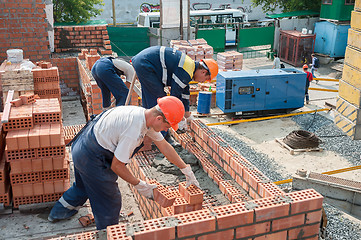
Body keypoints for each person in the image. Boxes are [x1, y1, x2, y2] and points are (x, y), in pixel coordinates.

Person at [48, 96, 200, 230]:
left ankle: (58, 213)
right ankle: (108, 233)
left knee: (83, 187)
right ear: (159, 119)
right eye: (167, 126)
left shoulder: (144, 116)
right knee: (110, 200)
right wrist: (140, 185)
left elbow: (165, 147)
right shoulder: (133, 131)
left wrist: (186, 170)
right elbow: (117, 166)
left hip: (83, 146)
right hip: (91, 157)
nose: (166, 130)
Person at [131, 46, 218, 141]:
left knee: (151, 100)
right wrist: (178, 119)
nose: (202, 82)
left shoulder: (190, 67)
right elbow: (174, 96)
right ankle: (163, 138)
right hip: (146, 64)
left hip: (145, 62)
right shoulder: (186, 71)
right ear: (203, 71)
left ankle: (148, 132)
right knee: (160, 102)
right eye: (205, 79)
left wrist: (187, 114)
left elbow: (184, 93)